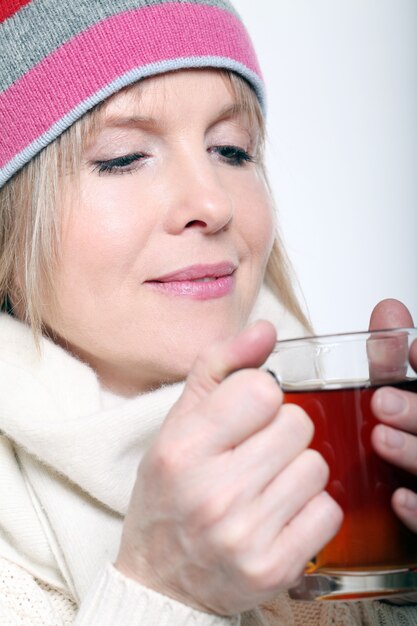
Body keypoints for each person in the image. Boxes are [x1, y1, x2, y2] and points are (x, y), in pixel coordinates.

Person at [0, 1, 416, 624]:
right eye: (122, 157)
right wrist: (164, 592)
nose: (212, 202)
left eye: (231, 149)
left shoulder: (339, 437)